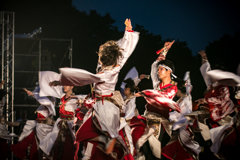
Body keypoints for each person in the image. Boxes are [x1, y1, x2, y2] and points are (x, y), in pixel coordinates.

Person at [58, 19, 139, 159]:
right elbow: (124, 48)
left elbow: (87, 77)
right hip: (99, 107)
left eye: (100, 53)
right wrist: (128, 32)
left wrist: (67, 77)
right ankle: (101, 147)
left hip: (106, 108)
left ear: (104, 57)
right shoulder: (109, 66)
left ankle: (110, 143)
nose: (98, 54)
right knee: (86, 137)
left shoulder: (108, 72)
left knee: (100, 138)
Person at [131, 41, 181, 160]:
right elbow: (154, 65)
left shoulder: (172, 88)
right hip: (147, 116)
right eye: (159, 70)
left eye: (161, 69)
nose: (158, 71)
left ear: (169, 71)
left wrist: (145, 93)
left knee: (152, 149)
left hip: (160, 121)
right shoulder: (157, 84)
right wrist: (165, 50)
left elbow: (162, 98)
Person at [38, 71, 87, 160]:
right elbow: (52, 86)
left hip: (70, 126)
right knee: (54, 146)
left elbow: (87, 99)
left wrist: (78, 102)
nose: (64, 87)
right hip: (59, 125)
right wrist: (58, 83)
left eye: (67, 85)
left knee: (68, 148)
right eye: (64, 85)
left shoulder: (76, 99)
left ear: (72, 86)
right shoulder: (62, 95)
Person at [162, 73, 201, 160]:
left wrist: (166, 116)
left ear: (179, 90)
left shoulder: (184, 101)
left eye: (176, 90)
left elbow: (178, 115)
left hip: (184, 127)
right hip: (182, 127)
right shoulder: (186, 97)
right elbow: (188, 85)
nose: (175, 93)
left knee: (186, 148)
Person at [11, 86, 55, 160]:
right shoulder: (42, 106)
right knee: (33, 143)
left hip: (45, 129)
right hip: (38, 127)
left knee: (44, 147)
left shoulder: (49, 104)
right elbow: (41, 99)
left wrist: (32, 94)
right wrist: (33, 93)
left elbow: (43, 100)